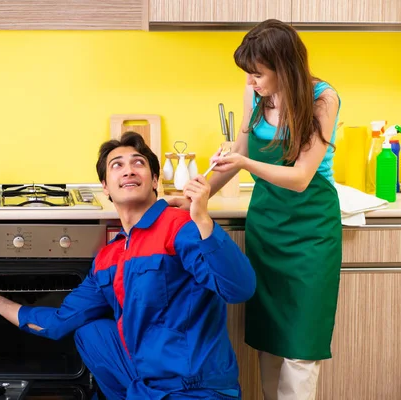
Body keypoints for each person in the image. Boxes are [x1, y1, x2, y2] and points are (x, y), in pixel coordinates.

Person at [0, 131, 256, 399]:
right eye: (117, 165)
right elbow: (58, 323)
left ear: (155, 180)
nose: (128, 170)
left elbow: (239, 288)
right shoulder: (108, 258)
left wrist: (203, 218)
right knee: (88, 330)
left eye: (138, 163)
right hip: (145, 388)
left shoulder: (180, 225)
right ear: (105, 187)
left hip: (196, 388)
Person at [169, 19, 342, 400]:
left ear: (285, 67)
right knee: (269, 341)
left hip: (311, 230)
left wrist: (245, 165)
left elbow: (300, 177)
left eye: (258, 74)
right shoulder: (255, 94)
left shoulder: (323, 99)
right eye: (248, 74)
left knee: (302, 345)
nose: (251, 82)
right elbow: (240, 153)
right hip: (267, 225)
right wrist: (200, 194)